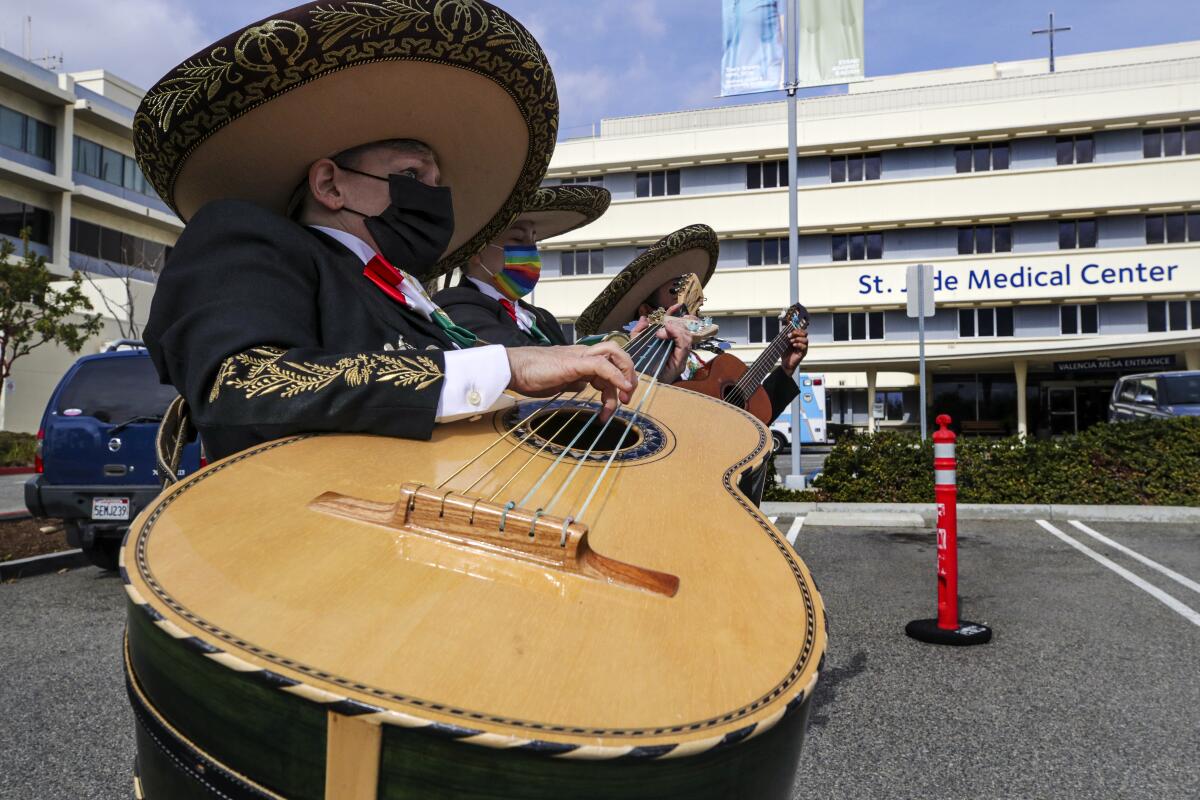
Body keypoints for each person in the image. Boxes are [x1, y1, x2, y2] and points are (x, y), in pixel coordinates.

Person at [135, 1, 653, 462]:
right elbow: (244, 383)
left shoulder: (409, 298)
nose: (432, 196)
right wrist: (505, 366)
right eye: (410, 176)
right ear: (330, 185)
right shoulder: (247, 236)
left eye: (436, 183)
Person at [434, 184, 612, 347]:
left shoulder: (542, 318)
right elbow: (518, 358)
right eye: (518, 239)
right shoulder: (456, 306)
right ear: (475, 251)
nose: (530, 250)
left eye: (534, 241)